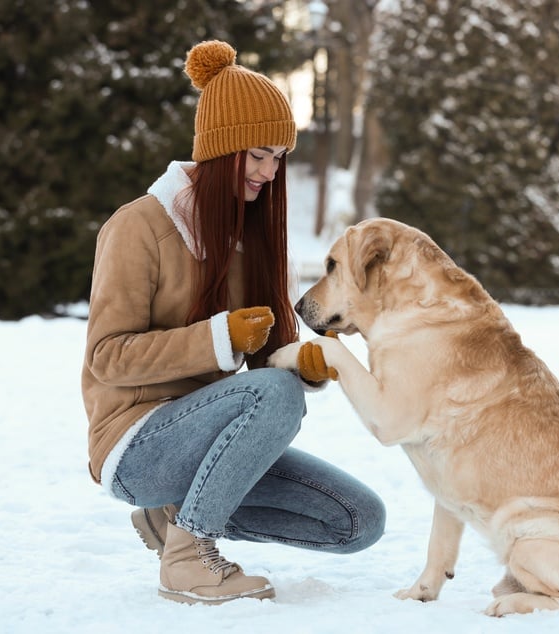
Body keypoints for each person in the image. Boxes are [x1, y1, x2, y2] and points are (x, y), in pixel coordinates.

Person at [81, 39, 385, 605]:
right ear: (223, 151)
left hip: (208, 443)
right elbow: (108, 356)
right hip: (134, 445)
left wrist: (302, 362)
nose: (270, 173)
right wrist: (218, 339)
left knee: (358, 520)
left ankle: (175, 516)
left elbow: (264, 364)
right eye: (258, 155)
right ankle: (189, 555)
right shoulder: (138, 227)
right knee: (273, 395)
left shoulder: (243, 239)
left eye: (279, 158)